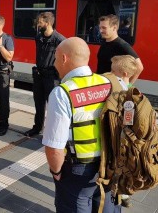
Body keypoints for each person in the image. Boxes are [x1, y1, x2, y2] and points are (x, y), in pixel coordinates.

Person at [42, 37, 120, 213]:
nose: (54, 64)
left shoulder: (62, 93)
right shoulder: (107, 83)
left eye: (55, 58)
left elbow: (54, 147)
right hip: (108, 166)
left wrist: (56, 172)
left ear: (64, 58)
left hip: (78, 172)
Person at [104, 55, 138, 209]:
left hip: (120, 137)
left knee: (118, 165)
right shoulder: (130, 89)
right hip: (124, 137)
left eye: (114, 70)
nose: (110, 73)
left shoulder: (125, 92)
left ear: (124, 74)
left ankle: (122, 193)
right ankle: (122, 193)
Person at [24, 12, 65, 137]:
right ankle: (37, 128)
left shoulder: (60, 40)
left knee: (53, 106)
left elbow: (64, 59)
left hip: (52, 77)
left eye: (40, 22)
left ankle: (54, 131)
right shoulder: (38, 37)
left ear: (47, 23)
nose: (38, 24)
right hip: (39, 75)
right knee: (38, 103)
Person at [97, 14, 143, 84]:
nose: (101, 31)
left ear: (114, 28)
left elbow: (139, 67)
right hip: (101, 84)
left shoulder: (122, 45)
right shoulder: (105, 42)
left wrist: (127, 86)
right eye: (100, 28)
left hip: (112, 87)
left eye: (104, 28)